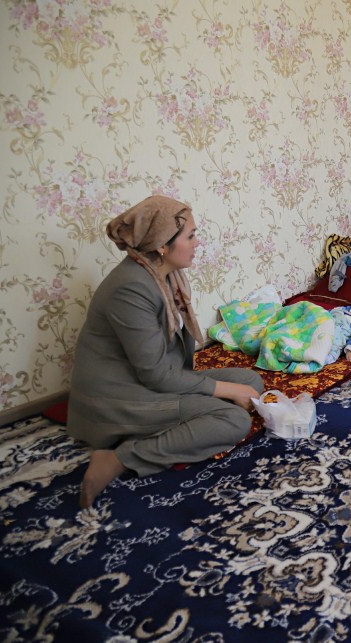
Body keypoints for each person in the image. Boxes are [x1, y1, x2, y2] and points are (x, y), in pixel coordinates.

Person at [68, 196, 264, 509]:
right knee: (234, 419)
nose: (197, 243)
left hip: (153, 378)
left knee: (250, 381)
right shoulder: (130, 288)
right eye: (191, 236)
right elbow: (155, 374)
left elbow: (164, 366)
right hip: (120, 395)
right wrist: (225, 392)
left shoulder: (167, 275)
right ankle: (119, 458)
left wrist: (228, 388)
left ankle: (180, 420)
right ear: (162, 245)